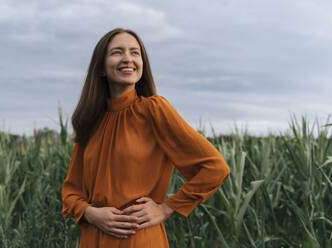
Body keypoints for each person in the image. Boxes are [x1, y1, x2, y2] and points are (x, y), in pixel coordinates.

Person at [61, 28, 230, 248]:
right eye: (117, 52)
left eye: (135, 52)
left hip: (138, 239)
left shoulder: (153, 110)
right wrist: (91, 213)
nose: (127, 59)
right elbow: (71, 191)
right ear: (101, 67)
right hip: (93, 239)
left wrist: (166, 208)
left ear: (142, 64)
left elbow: (215, 167)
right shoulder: (91, 121)